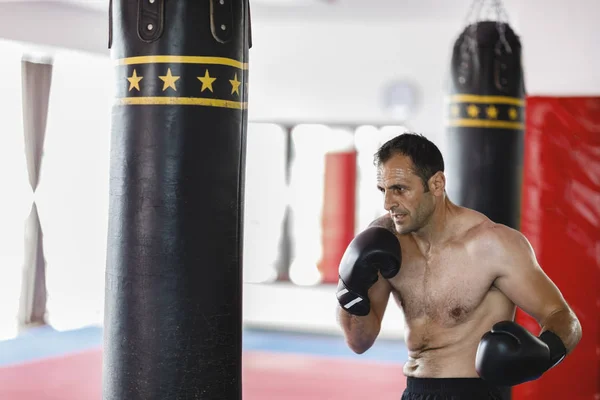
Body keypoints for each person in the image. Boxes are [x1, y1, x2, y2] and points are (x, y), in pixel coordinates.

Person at [335, 133, 582, 399]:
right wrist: (350, 289)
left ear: (437, 184)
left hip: (475, 393)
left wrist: (543, 354)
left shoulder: (493, 244)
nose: (388, 203)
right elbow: (359, 342)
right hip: (415, 391)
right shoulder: (385, 240)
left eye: (400, 189)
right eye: (384, 190)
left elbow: (565, 320)